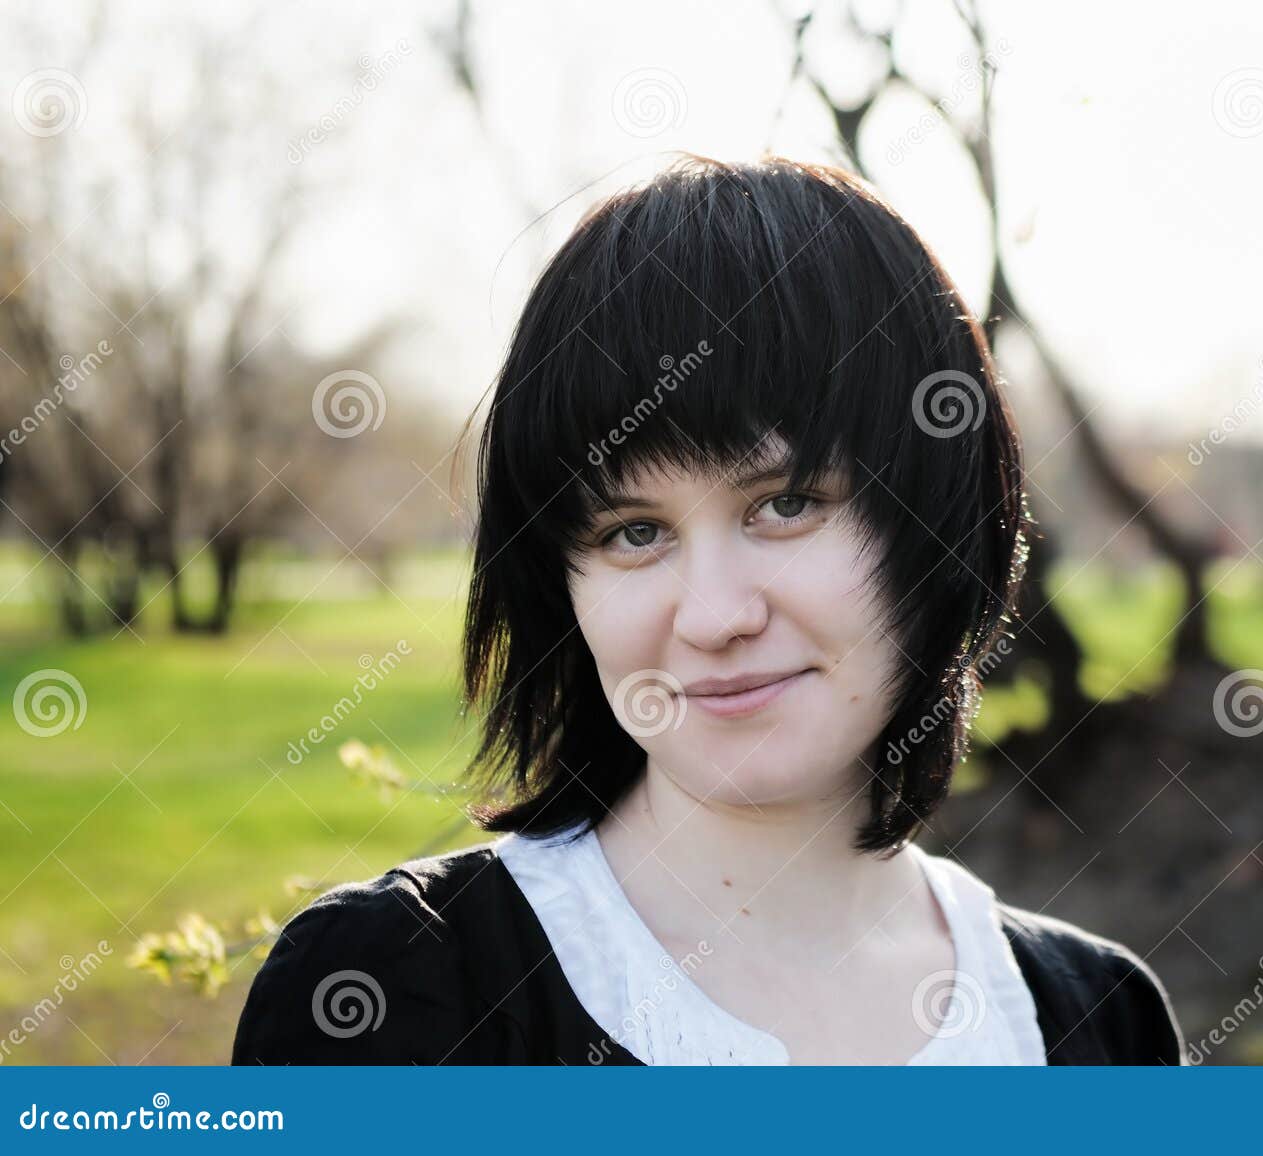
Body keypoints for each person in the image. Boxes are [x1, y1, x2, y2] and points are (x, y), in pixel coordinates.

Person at [231, 154, 1184, 1066]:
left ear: (934, 525)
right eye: (633, 532)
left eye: (785, 505)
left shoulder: (1096, 1025)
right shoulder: (390, 996)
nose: (714, 616)